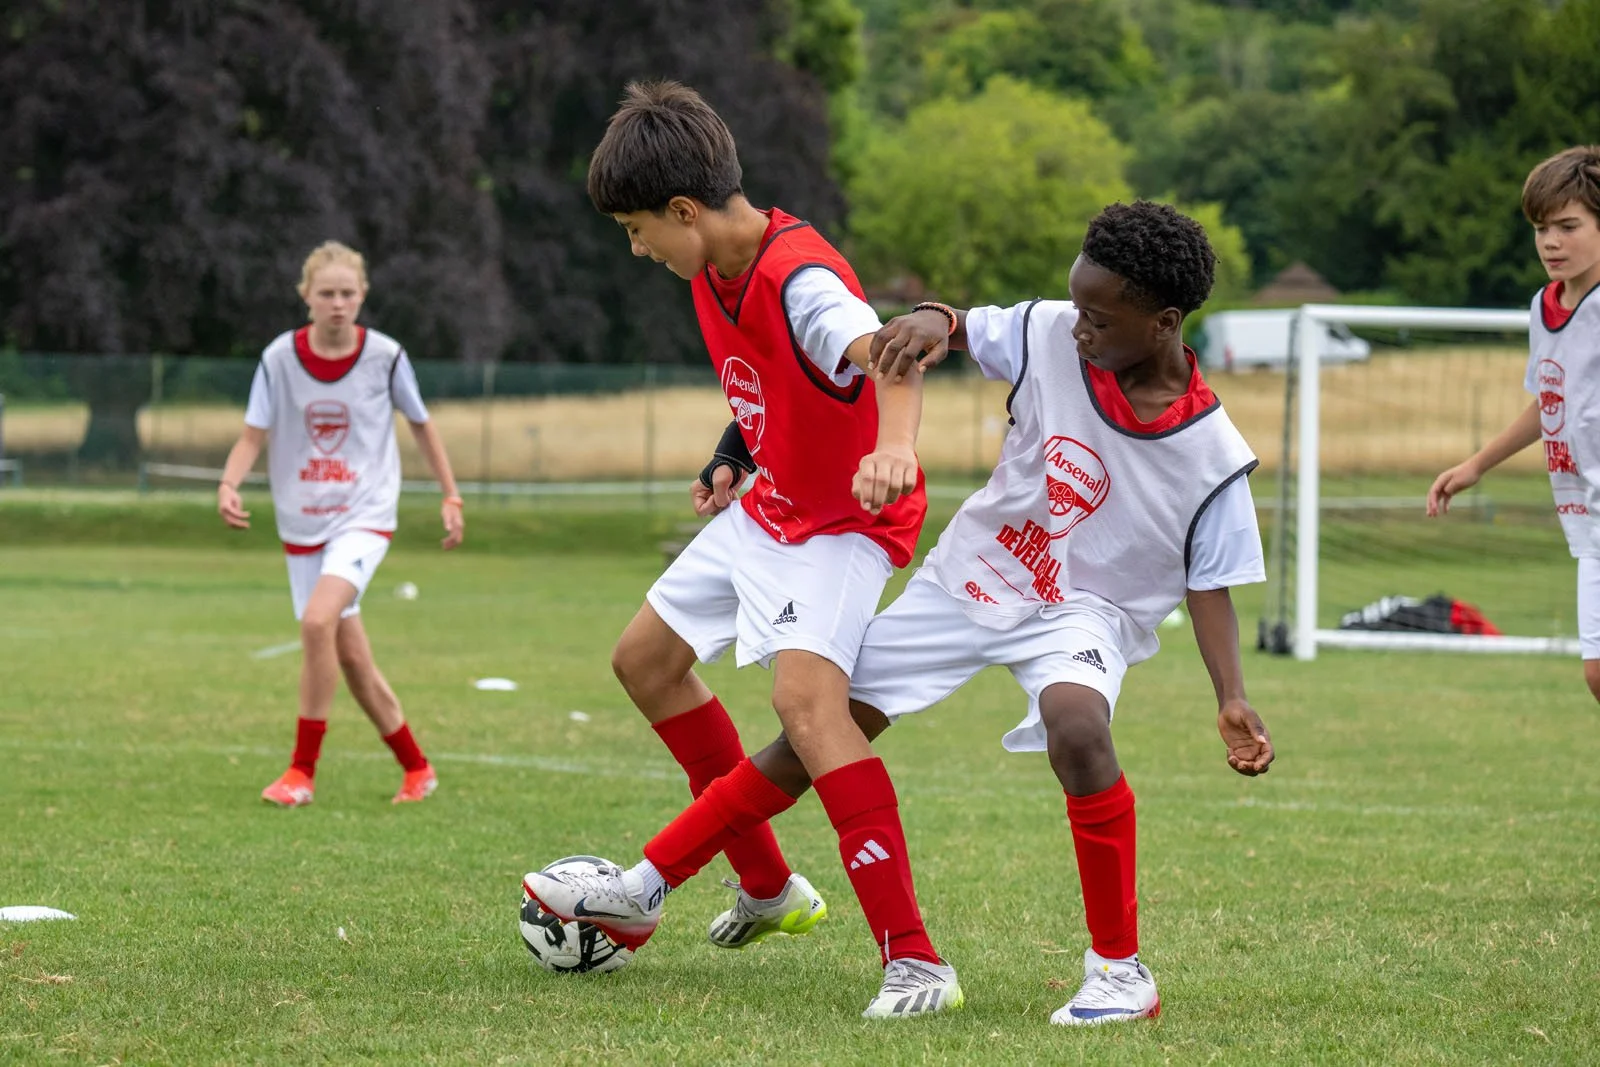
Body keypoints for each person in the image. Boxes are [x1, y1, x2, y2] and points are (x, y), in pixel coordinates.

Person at [679, 200, 1277, 1025]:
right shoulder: (1052, 329)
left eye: (1099, 318)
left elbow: (1210, 583)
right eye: (1076, 304)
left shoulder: (1212, 454)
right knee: (820, 725)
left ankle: (1119, 970)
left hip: (1086, 609)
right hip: (974, 575)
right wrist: (933, 318)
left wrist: (1231, 695)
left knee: (1078, 726)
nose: (1078, 327)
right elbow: (962, 327)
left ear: (1166, 323)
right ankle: (647, 879)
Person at [522, 81, 963, 1018]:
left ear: (685, 211)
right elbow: (770, 379)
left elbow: (889, 355)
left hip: (843, 523)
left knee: (808, 706)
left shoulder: (802, 281)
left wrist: (894, 447)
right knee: (644, 660)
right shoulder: (713, 266)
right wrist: (735, 450)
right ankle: (766, 887)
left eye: (638, 230)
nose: (637, 249)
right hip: (772, 506)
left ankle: (917, 960)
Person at [217, 241, 465, 808]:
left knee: (315, 622)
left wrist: (450, 494)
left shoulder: (386, 356)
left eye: (347, 293)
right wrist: (229, 484)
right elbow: (253, 434)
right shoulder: (278, 358)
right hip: (302, 521)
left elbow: (422, 425)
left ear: (362, 296)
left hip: (364, 515)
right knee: (350, 656)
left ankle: (300, 773)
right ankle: (417, 768)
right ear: (306, 296)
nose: (337, 302)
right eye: (326, 292)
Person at [1429, 145, 1600, 697]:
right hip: (1590, 518)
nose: (1551, 242)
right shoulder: (1542, 309)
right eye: (1541, 229)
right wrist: (1477, 465)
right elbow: (1551, 403)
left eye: (1569, 227)